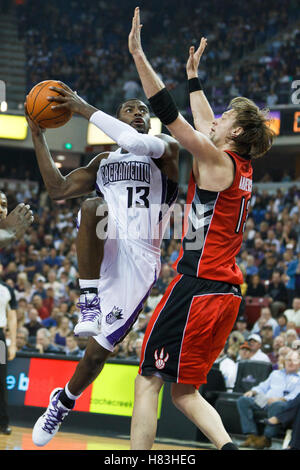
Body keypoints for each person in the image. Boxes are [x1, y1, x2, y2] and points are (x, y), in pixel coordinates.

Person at [128, 7, 274, 451]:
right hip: (226, 295)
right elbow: (206, 120)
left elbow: (171, 116)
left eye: (226, 117)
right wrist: (194, 78)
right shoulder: (239, 166)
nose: (218, 117)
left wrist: (138, 54)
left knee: (148, 379)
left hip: (198, 286)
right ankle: (229, 449)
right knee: (184, 391)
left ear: (238, 131)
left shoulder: (215, 160)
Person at [26, 81, 179, 445]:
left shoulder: (165, 151)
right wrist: (37, 134)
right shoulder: (102, 162)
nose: (139, 113)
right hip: (106, 240)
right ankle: (89, 300)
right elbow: (57, 189)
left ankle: (62, 403)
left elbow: (137, 143)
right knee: (93, 207)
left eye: (143, 110)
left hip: (141, 257)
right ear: (118, 116)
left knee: (96, 355)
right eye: (130, 108)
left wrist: (80, 106)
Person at [236, 350, 300, 449]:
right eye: (288, 360)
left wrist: (279, 399)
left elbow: (296, 396)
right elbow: (263, 386)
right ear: (284, 361)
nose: (290, 363)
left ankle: (266, 438)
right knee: (243, 400)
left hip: (283, 403)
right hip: (265, 400)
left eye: (293, 360)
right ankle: (251, 436)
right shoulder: (276, 373)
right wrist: (253, 391)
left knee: (277, 405)